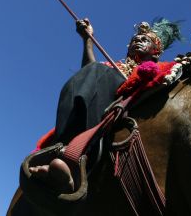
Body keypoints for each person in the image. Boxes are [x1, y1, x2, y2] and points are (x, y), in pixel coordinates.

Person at [29, 18, 182, 192]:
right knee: (91, 73)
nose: (137, 41)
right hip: (101, 99)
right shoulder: (111, 66)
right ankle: (64, 151)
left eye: (144, 40)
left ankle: (77, 159)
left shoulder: (162, 68)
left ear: (156, 52)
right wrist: (88, 39)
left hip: (126, 104)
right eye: (134, 40)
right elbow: (88, 73)